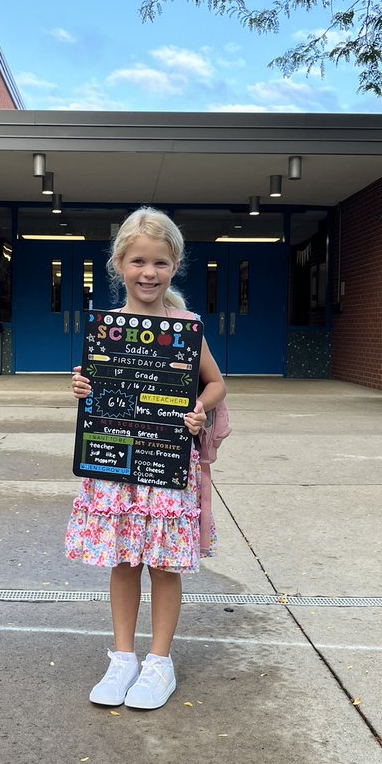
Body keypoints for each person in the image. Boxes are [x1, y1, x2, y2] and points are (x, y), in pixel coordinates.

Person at [66, 207, 226, 710]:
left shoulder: (185, 328)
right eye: (138, 261)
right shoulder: (106, 328)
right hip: (116, 465)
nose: (148, 272)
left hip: (165, 465)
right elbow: (98, 390)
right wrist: (83, 386)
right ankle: (122, 658)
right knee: (123, 562)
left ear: (174, 264)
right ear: (119, 265)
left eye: (159, 262)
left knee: (163, 565)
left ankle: (159, 662)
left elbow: (217, 383)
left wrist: (198, 409)